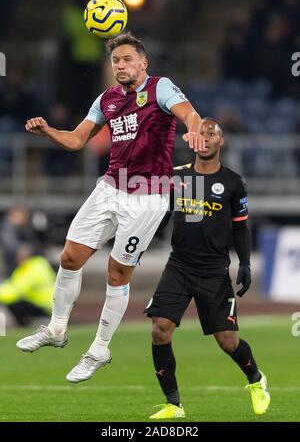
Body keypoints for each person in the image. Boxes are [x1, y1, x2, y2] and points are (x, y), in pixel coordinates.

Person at [16, 32, 205, 384]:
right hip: (110, 187)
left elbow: (189, 115)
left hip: (148, 196)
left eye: (127, 59)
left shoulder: (160, 88)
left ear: (142, 63)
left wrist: (194, 130)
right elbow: (76, 139)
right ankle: (57, 330)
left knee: (117, 274)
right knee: (69, 258)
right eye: (116, 61)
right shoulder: (106, 100)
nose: (121, 65)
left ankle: (100, 348)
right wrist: (48, 132)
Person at [145, 118, 270, 419]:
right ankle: (173, 405)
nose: (206, 137)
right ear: (192, 141)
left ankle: (256, 380)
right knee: (160, 330)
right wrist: (137, 244)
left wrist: (246, 263)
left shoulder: (233, 182)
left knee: (228, 342)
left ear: (220, 142)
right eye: (200, 133)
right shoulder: (176, 177)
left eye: (211, 133)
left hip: (214, 271)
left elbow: (241, 228)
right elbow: (161, 215)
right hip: (179, 265)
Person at [0, 244, 55, 326]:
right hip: (40, 303)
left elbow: (18, 290)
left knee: (16, 304)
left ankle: (24, 325)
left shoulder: (36, 266)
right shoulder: (32, 266)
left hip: (45, 305)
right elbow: (12, 285)